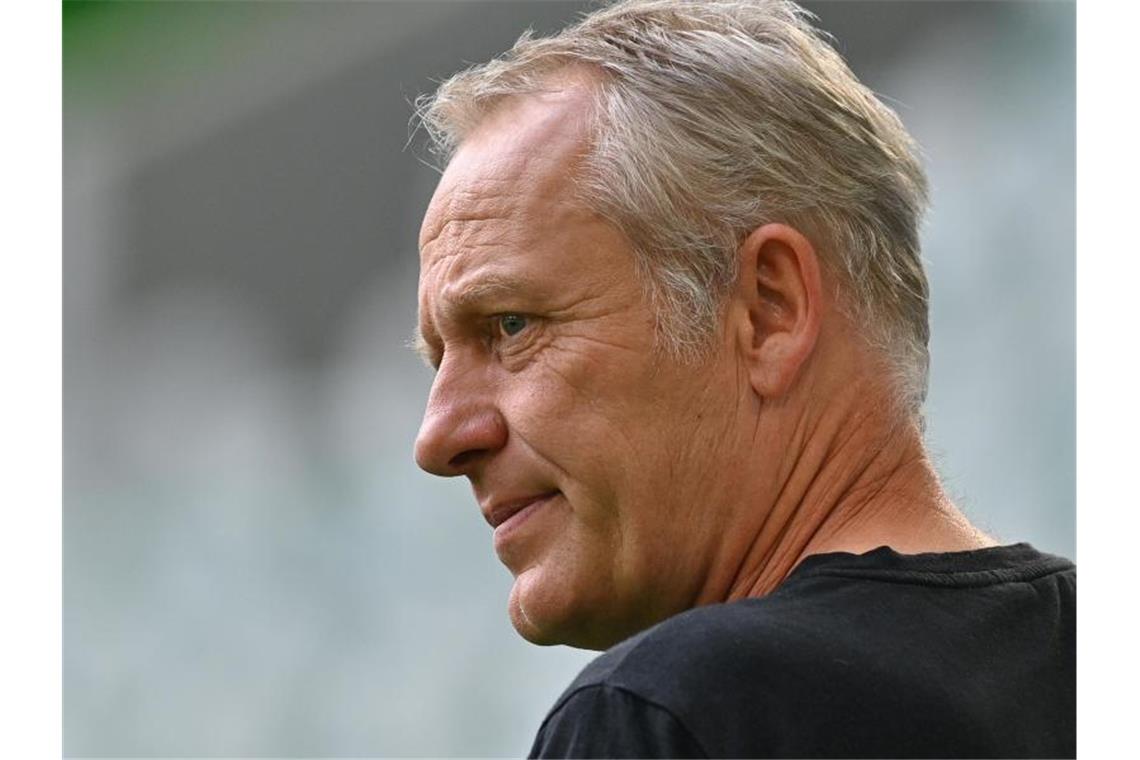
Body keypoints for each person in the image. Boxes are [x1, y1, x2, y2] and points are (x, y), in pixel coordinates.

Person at [410, 0, 1075, 756]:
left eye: (511, 326)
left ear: (768, 309)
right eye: (438, 362)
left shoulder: (671, 715)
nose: (437, 438)